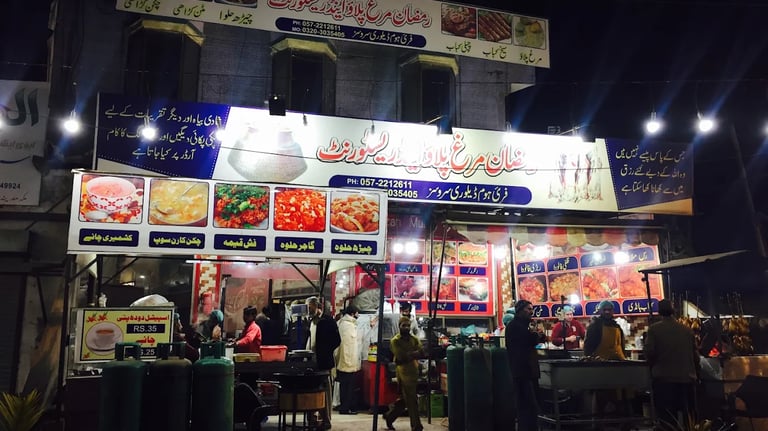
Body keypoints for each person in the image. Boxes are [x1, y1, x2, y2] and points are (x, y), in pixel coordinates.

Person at [644, 299, 701, 428]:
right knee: (688, 417)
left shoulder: (654, 329)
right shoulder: (687, 330)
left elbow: (649, 352)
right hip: (686, 379)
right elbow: (695, 356)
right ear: (673, 311)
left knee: (667, 418)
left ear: (659, 312)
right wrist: (696, 374)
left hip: (664, 380)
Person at [505, 299, 546, 431]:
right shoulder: (515, 326)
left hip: (527, 371)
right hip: (522, 372)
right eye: (528, 309)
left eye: (531, 309)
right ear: (520, 310)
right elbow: (526, 341)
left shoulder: (523, 325)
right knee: (527, 405)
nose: (531, 312)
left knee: (529, 405)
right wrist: (536, 336)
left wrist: (537, 335)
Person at [383, 317, 424, 431]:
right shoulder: (395, 341)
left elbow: (422, 352)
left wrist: (410, 354)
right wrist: (414, 354)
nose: (406, 328)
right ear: (399, 326)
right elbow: (401, 356)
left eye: (408, 325)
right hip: (402, 373)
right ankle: (416, 426)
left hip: (413, 372)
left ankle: (390, 417)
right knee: (412, 399)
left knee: (404, 400)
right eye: (403, 325)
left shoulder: (414, 339)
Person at [305, 298, 340, 429]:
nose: (308, 310)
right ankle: (312, 419)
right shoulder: (310, 322)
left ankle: (326, 420)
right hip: (311, 362)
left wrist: (325, 351)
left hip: (323, 362)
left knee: (324, 393)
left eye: (310, 307)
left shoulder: (328, 321)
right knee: (311, 392)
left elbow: (337, 340)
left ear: (317, 306)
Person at [336, 305, 361, 415]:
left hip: (344, 360)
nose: (358, 315)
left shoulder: (342, 323)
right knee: (348, 386)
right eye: (357, 313)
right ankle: (346, 408)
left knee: (344, 386)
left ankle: (344, 407)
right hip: (348, 361)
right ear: (353, 314)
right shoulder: (348, 325)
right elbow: (348, 346)